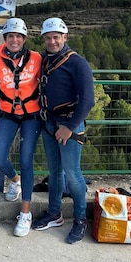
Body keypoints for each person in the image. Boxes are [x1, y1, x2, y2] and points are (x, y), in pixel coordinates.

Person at [32, 17, 95, 244]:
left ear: (65, 37)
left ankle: (79, 220)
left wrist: (68, 128)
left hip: (69, 124)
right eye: (48, 38)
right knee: (55, 172)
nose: (52, 41)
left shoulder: (77, 63)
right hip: (49, 123)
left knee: (73, 175)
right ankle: (54, 213)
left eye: (56, 37)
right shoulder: (45, 61)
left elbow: (88, 100)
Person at [0, 18, 42, 237]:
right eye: (10, 36)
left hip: (32, 115)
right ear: (5, 39)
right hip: (8, 113)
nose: (14, 40)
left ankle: (25, 213)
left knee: (26, 160)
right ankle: (15, 180)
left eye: (18, 36)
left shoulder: (36, 58)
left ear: (24, 39)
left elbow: (47, 81)